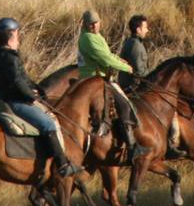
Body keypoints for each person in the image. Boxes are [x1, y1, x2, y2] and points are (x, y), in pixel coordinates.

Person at [0, 17, 80, 177]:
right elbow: (17, 82)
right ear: (10, 35)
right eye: (17, 33)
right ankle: (62, 165)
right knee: (48, 124)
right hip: (15, 101)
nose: (19, 36)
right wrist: (31, 97)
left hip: (13, 98)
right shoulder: (8, 57)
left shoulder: (4, 54)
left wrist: (38, 89)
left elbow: (23, 78)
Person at [78, 9, 145, 156]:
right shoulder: (88, 38)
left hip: (101, 77)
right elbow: (105, 60)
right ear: (85, 25)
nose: (94, 26)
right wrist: (127, 68)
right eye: (91, 24)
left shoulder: (95, 36)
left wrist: (118, 59)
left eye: (96, 23)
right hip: (94, 79)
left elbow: (107, 54)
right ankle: (132, 146)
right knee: (125, 105)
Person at [117, 15, 185, 158]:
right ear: (138, 29)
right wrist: (157, 78)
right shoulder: (135, 45)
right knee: (168, 109)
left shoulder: (132, 42)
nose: (147, 30)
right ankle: (170, 145)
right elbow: (140, 72)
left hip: (133, 84)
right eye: (145, 27)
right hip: (134, 87)